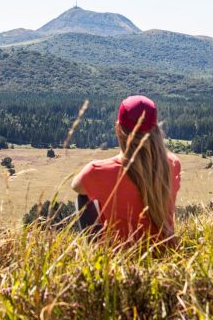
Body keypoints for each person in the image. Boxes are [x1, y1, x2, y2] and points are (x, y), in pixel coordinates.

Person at [70, 95, 182, 244]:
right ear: (155, 129)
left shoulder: (98, 171)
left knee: (83, 198)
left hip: (119, 257)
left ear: (118, 129)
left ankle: (96, 250)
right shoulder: (173, 164)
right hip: (165, 251)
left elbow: (76, 187)